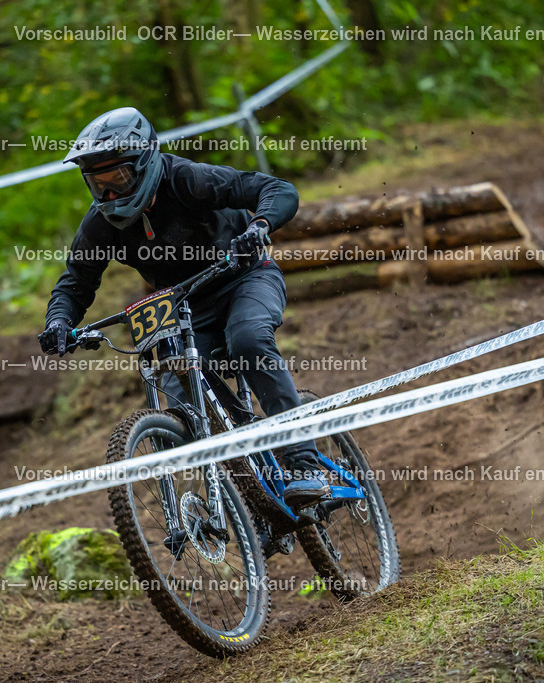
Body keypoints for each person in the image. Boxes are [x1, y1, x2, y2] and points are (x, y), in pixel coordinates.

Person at [38, 107, 329, 509]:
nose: (109, 194)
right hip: (187, 307)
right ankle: (250, 495)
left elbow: (277, 189)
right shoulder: (100, 225)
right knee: (177, 392)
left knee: (247, 340)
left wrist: (259, 226)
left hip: (245, 279)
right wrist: (59, 321)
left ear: (143, 165)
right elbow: (75, 282)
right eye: (97, 183)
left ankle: (303, 462)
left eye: (117, 178)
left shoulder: (188, 180)